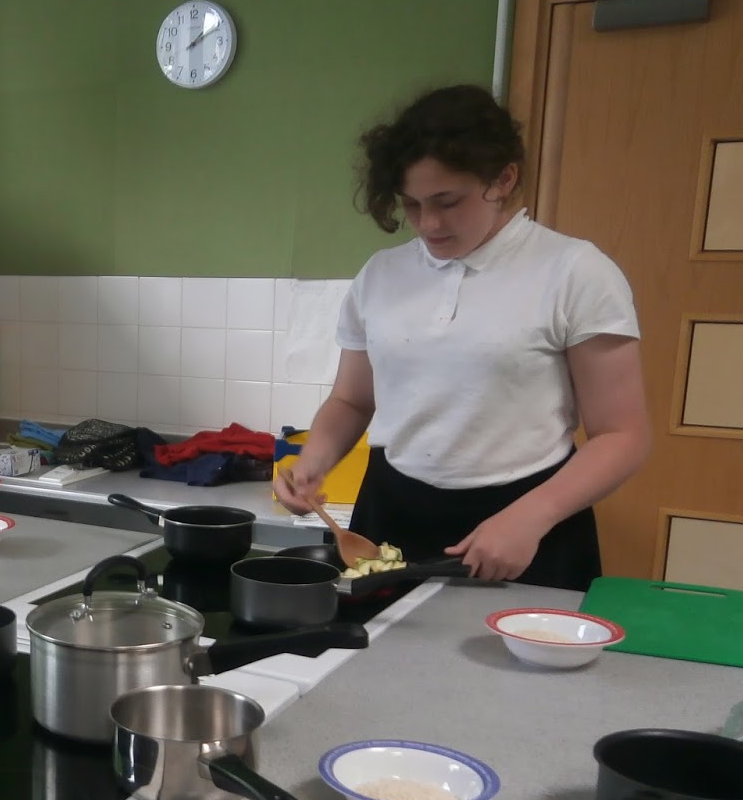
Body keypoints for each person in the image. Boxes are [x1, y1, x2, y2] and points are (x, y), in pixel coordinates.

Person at [273, 84, 650, 591]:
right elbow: (351, 399)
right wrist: (313, 462)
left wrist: (532, 517)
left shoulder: (575, 272)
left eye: (447, 202)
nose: (428, 223)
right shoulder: (381, 275)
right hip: (390, 513)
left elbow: (623, 435)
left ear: (503, 179)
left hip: (524, 523)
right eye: (412, 204)